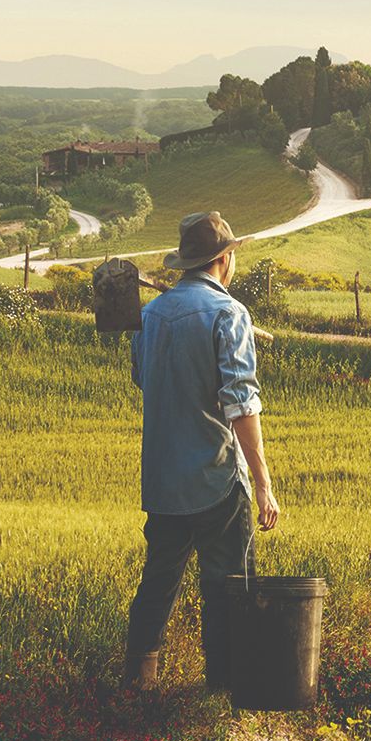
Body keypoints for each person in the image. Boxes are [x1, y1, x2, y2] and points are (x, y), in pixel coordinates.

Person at [122, 211, 281, 691]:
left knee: (158, 582)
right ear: (224, 260)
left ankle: (137, 684)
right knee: (228, 587)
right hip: (215, 478)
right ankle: (223, 690)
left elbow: (141, 378)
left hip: (163, 480)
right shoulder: (229, 314)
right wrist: (263, 482)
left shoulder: (149, 316)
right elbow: (241, 405)